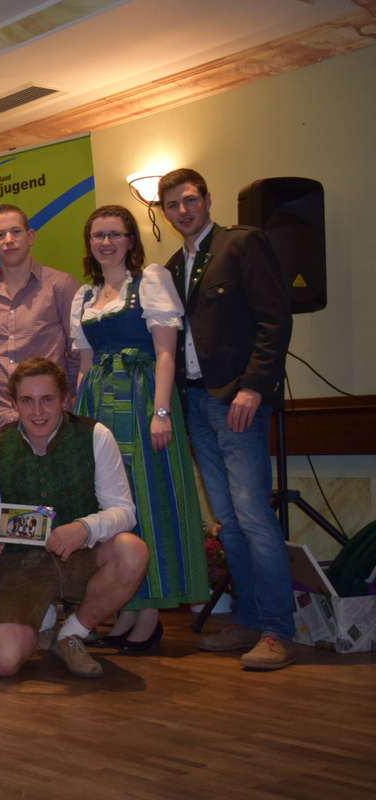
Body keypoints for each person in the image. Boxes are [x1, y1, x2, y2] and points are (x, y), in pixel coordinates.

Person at [158, 168, 295, 670]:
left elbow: (275, 319)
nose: (183, 211)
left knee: (254, 516)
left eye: (190, 200)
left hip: (237, 401)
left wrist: (253, 387)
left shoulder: (242, 244)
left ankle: (278, 629)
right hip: (194, 405)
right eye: (172, 205)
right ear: (164, 212)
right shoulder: (172, 267)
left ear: (207, 199)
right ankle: (249, 618)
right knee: (228, 523)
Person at [69, 204, 209, 653]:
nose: (106, 242)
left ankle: (149, 616)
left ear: (131, 239)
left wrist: (161, 412)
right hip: (98, 404)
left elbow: (166, 352)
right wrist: (76, 421)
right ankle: (127, 610)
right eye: (98, 235)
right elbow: (84, 366)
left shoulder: (149, 280)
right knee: (111, 503)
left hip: (141, 399)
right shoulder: (85, 296)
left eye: (115, 233)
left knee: (147, 500)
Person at [0, 357, 149, 679]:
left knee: (132, 551)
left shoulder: (95, 436)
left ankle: (71, 633)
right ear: (13, 403)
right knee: (3, 662)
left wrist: (84, 527)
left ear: (64, 399)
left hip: (83, 555)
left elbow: (124, 511)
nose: (37, 411)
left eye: (47, 399)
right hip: (22, 564)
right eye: (27, 401)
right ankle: (41, 621)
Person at [0, 204, 79, 453]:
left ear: (30, 236)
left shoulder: (61, 286)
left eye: (16, 232)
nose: (9, 240)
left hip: (47, 423)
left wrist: (59, 396)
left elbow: (79, 353)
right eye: (0, 234)